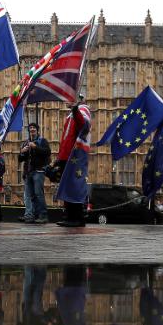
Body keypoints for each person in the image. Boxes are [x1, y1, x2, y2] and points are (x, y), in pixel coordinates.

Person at [56, 97, 91, 228]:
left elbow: (84, 126)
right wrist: (59, 157)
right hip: (66, 155)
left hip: (74, 155)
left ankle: (77, 218)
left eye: (69, 98)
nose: (66, 101)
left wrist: (75, 108)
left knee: (74, 186)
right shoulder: (71, 115)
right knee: (67, 187)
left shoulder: (82, 111)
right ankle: (69, 217)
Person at [18, 123, 51, 224]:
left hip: (39, 171)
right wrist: (22, 152)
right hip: (28, 172)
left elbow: (47, 152)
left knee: (38, 194)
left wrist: (35, 147)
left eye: (34, 128)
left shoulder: (42, 141)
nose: (32, 129)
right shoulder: (26, 143)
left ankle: (43, 215)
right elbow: (20, 159)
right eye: (30, 128)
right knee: (30, 195)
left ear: (37, 130)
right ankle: (31, 215)